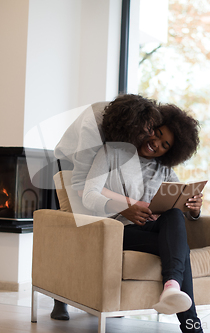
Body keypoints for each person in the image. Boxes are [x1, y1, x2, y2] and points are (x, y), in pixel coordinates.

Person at [82, 104, 205, 333]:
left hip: (150, 230)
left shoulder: (164, 170)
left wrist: (195, 209)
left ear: (171, 152)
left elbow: (180, 201)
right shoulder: (112, 152)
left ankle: (172, 287)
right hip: (118, 230)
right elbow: (89, 195)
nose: (156, 143)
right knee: (181, 251)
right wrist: (125, 206)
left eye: (165, 144)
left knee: (175, 214)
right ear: (148, 127)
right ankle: (192, 327)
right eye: (157, 134)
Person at [50, 94, 162, 320]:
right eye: (146, 131)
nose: (151, 135)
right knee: (77, 231)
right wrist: (126, 204)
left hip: (102, 157)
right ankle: (60, 298)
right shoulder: (92, 129)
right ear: (130, 130)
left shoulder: (133, 119)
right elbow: (83, 186)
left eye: (152, 128)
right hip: (72, 163)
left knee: (104, 227)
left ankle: (97, 297)